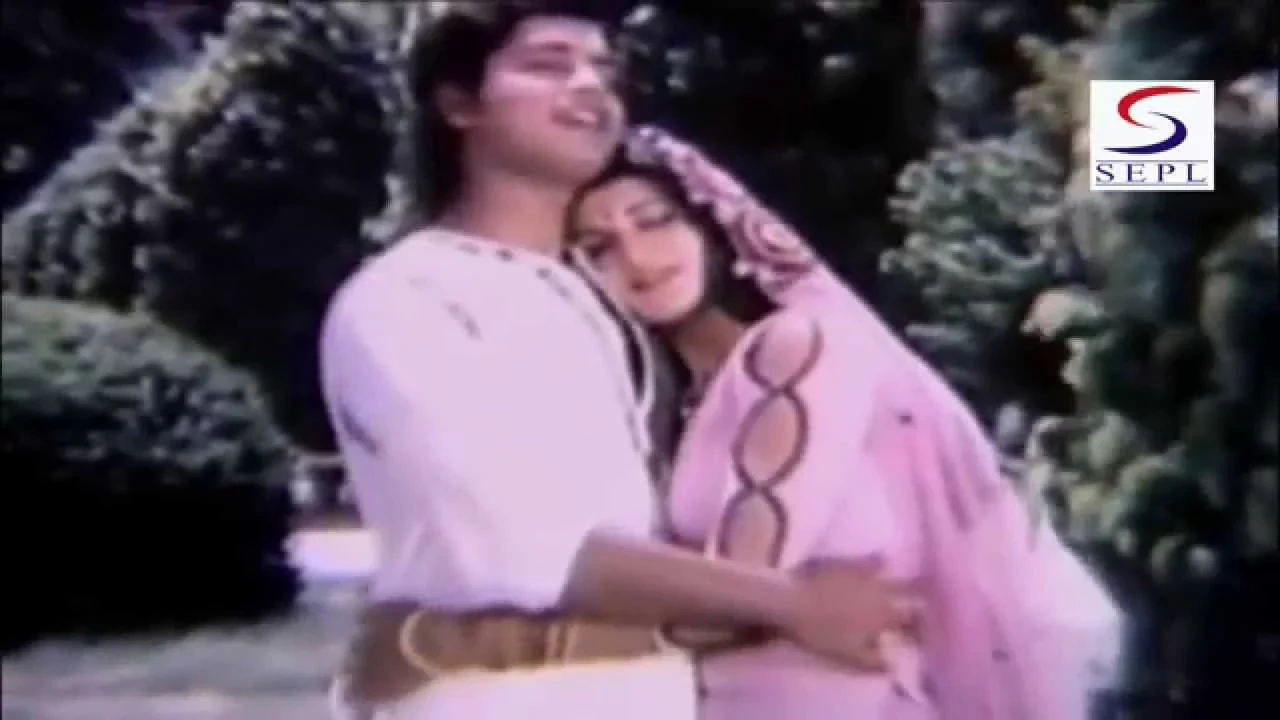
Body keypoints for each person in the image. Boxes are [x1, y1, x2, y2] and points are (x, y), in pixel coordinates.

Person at [319, 4, 918, 720]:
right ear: (459, 104)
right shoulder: (412, 296)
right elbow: (526, 553)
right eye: (549, 65)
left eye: (603, 71)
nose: (589, 87)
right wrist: (791, 605)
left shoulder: (602, 305)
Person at [562, 127, 1124, 720]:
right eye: (600, 248)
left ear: (709, 223)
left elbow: (736, 594)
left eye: (655, 221)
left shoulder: (796, 348)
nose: (636, 257)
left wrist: (571, 600)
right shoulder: (675, 404)